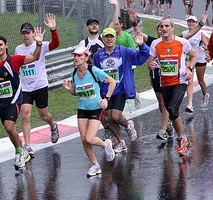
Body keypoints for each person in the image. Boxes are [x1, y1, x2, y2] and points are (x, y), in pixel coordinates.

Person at [0, 28, 44, 170]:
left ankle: (19, 153)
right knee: (10, 130)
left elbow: (35, 57)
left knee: (9, 126)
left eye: (1, 45)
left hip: (15, 100)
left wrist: (38, 44)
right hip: (1, 102)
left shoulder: (14, 60)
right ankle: (22, 150)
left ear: (6, 45)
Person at [62, 47, 116, 177]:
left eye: (79, 56)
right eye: (75, 56)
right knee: (83, 139)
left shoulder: (94, 70)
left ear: (86, 57)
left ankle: (106, 144)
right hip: (82, 109)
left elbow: (112, 82)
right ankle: (95, 166)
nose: (76, 58)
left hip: (95, 108)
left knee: (90, 138)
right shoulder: (74, 73)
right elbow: (77, 91)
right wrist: (70, 89)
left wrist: (106, 99)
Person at [93, 27, 149, 153]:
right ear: (102, 38)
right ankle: (121, 142)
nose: (109, 39)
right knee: (108, 118)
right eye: (106, 36)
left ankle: (128, 125)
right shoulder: (98, 56)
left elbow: (141, 58)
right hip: (105, 92)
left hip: (120, 89)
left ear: (115, 38)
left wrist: (142, 45)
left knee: (115, 116)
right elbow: (95, 74)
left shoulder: (124, 51)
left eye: (111, 36)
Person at [148, 17, 197, 156]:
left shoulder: (182, 42)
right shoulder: (155, 44)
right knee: (173, 112)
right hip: (165, 83)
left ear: (172, 28)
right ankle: (183, 138)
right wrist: (151, 65)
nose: (163, 29)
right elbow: (151, 62)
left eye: (166, 26)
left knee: (172, 108)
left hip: (180, 81)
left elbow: (193, 56)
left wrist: (189, 69)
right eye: (161, 26)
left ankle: (182, 138)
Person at [15, 15, 60, 158]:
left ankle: (53, 126)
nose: (26, 36)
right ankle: (27, 146)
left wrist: (53, 30)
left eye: (28, 33)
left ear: (33, 34)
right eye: (24, 33)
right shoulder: (18, 49)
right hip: (25, 87)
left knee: (43, 115)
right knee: (25, 114)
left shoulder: (41, 44)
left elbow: (55, 44)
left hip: (40, 85)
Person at [182, 15, 210, 113]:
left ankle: (205, 95)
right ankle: (190, 104)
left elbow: (207, 45)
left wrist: (204, 48)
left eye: (193, 22)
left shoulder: (200, 33)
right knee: (189, 81)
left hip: (200, 58)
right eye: (189, 22)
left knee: (200, 80)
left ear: (196, 23)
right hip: (189, 59)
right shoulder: (184, 33)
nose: (191, 24)